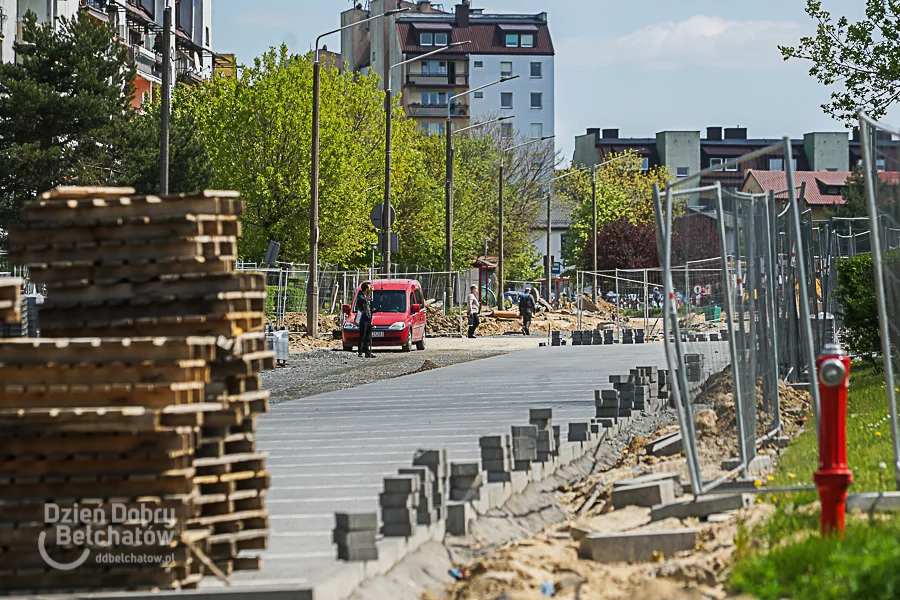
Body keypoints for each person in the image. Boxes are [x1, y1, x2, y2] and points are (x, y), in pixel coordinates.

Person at [356, 282, 375, 358]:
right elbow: (365, 301)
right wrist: (369, 293)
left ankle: (367, 351)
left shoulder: (367, 296)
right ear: (366, 289)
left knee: (368, 335)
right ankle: (360, 351)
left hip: (368, 317)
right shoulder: (360, 296)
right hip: (363, 318)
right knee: (362, 335)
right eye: (369, 288)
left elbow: (368, 304)